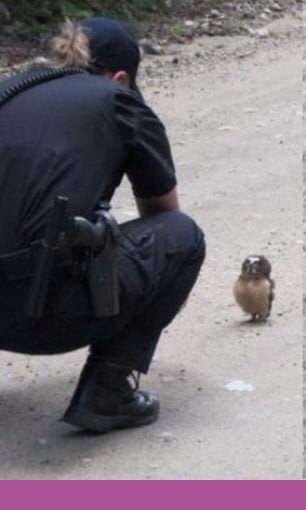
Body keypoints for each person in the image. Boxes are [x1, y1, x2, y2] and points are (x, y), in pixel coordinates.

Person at [0, 18, 206, 432]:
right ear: (121, 77)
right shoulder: (119, 100)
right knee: (183, 238)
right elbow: (163, 213)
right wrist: (162, 291)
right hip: (45, 315)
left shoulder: (8, 94)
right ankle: (108, 392)